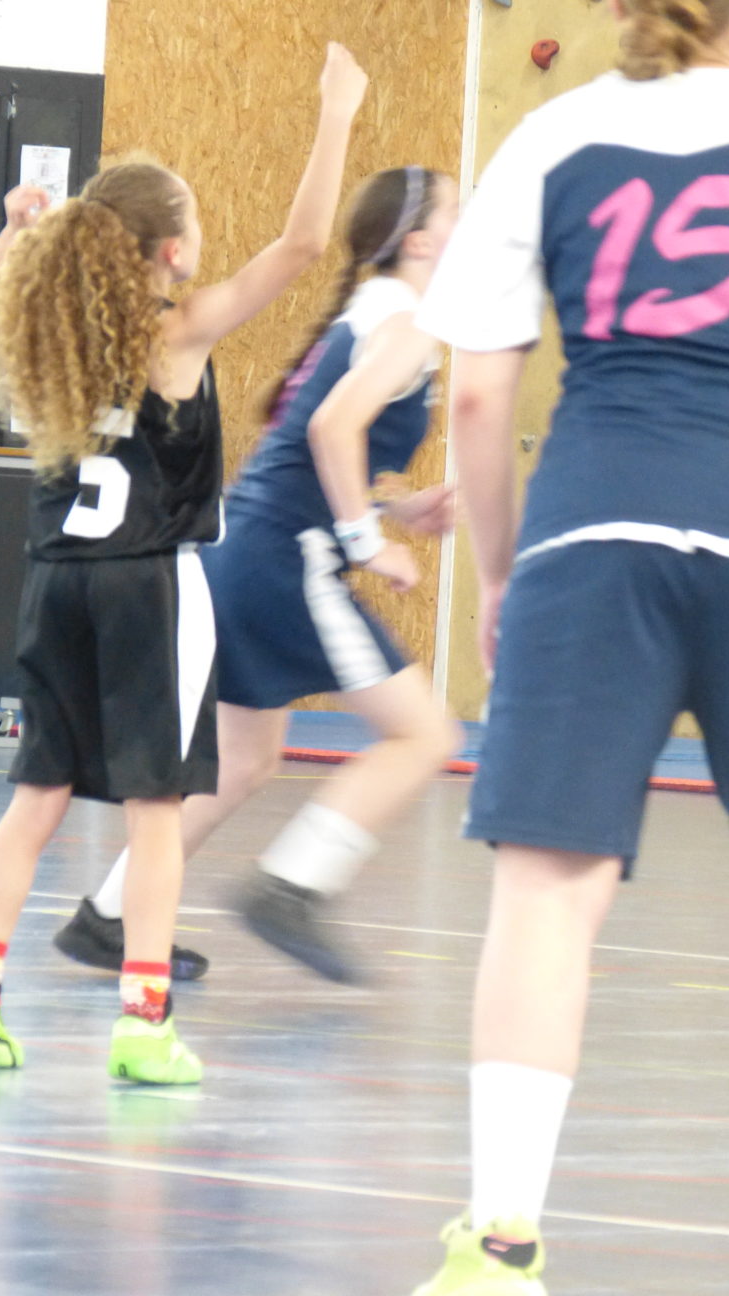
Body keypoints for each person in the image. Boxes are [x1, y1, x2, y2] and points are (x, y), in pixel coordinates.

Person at [409, 0, 729, 1293]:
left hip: (594, 531)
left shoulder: (546, 142)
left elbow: (478, 398)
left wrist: (505, 570)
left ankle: (502, 1247)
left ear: (612, 3)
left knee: (548, 897)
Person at [0, 41, 369, 1084]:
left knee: (34, 804)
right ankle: (144, 1025)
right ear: (171, 252)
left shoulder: (48, 337)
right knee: (157, 813)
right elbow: (306, 243)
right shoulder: (179, 335)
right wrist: (337, 114)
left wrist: (11, 236)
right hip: (149, 585)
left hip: (55, 586)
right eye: (196, 225)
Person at [55, 164, 462, 985]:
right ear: (420, 241)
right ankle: (291, 888)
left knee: (244, 760)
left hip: (244, 550)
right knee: (426, 735)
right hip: (282, 561)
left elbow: (303, 456)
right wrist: (366, 539)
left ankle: (109, 916)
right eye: (461, 210)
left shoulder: (370, 312)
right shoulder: (408, 323)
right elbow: (331, 431)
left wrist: (396, 505)